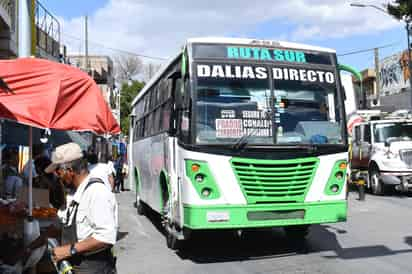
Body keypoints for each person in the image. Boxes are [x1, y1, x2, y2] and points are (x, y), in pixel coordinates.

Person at [45, 142, 117, 274]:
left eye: (58, 171)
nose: (57, 176)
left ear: (70, 171)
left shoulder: (97, 192)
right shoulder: (73, 194)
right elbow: (60, 227)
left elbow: (106, 237)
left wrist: (69, 250)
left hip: (94, 269)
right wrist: (31, 246)